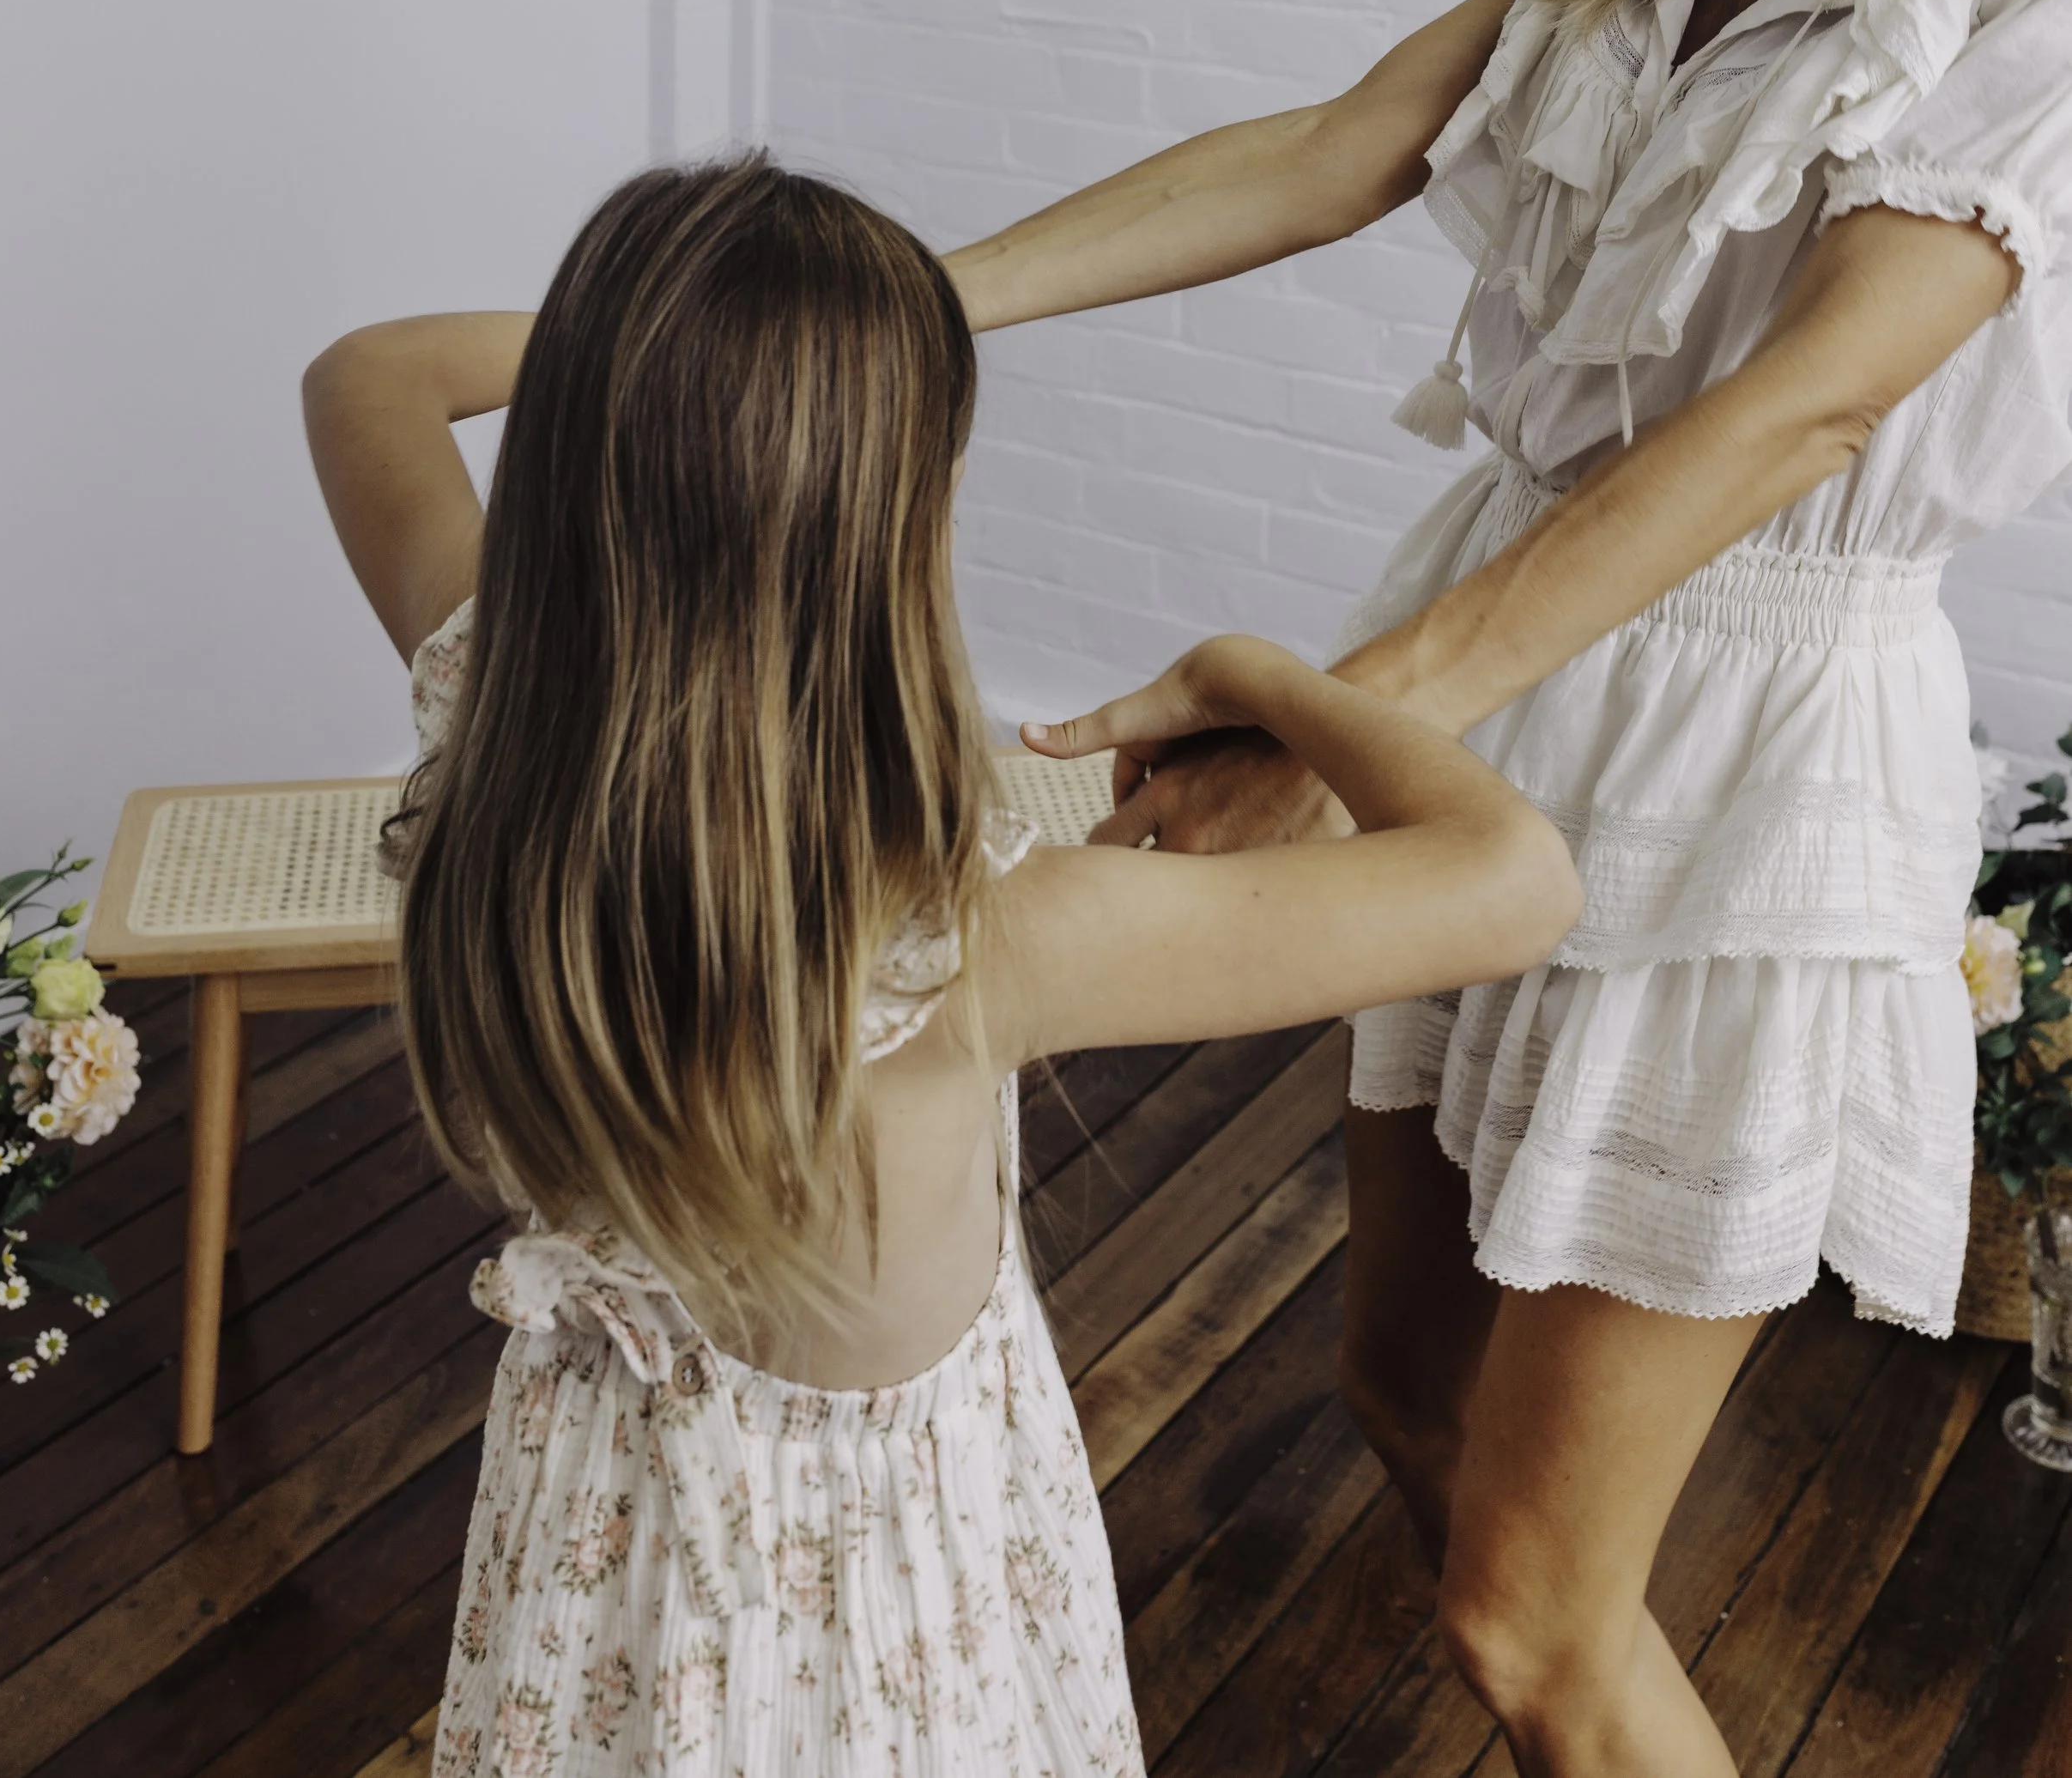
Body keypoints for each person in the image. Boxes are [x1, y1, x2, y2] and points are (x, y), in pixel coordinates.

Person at [948, 0, 2072, 1777]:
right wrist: (905, 295)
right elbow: (1346, 146)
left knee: (1526, 1618)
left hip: (1740, 742)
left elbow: (1787, 415)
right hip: (1491, 631)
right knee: (1396, 1391)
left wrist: (1337, 734)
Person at [302, 156, 1579, 1778]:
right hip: (875, 1640)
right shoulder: (977, 949)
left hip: (602, 1551)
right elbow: (1516, 879)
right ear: (893, 516)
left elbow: (369, 373)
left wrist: (676, 354)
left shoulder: (487, 717)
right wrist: (1261, 674)